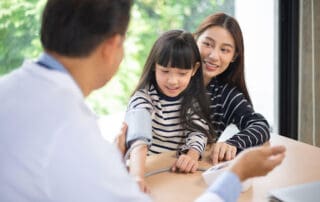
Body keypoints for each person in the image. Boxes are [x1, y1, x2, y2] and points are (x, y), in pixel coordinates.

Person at [0, 0, 285, 201]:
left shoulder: (10, 90)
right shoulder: (74, 132)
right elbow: (137, 140)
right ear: (113, 46)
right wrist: (235, 177)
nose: (173, 80)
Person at [125, 29, 215, 193]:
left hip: (176, 175)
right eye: (165, 71)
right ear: (154, 66)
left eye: (182, 73)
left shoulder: (192, 100)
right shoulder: (143, 99)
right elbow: (139, 139)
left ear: (194, 70)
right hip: (147, 172)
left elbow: (198, 133)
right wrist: (137, 177)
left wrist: (191, 156)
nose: (173, 81)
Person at [193, 13, 271, 165]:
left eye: (225, 50)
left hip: (195, 173)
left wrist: (233, 143)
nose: (214, 56)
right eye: (207, 44)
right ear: (195, 40)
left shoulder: (224, 94)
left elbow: (260, 125)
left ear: (234, 56)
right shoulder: (172, 80)